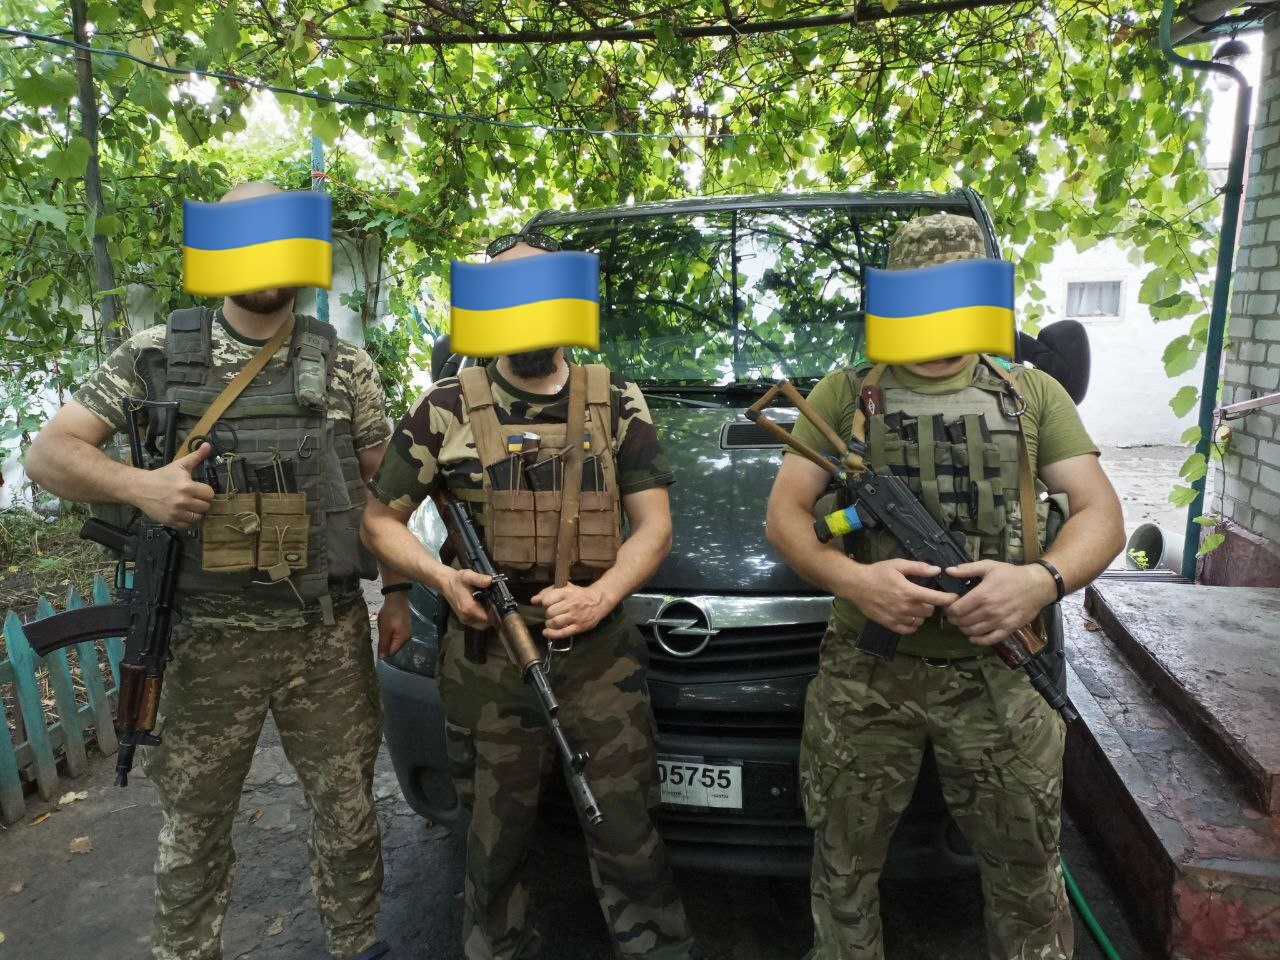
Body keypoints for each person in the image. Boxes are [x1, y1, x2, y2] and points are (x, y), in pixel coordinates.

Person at [25, 182, 406, 960]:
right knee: (194, 827)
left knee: (348, 815)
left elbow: (385, 491)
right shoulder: (155, 354)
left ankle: (356, 943)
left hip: (325, 638)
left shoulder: (345, 364)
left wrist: (398, 589)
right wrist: (143, 487)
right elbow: (48, 454)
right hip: (202, 645)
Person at [764, 212, 1126, 960]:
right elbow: (786, 517)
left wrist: (1039, 582)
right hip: (867, 678)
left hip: (1000, 679)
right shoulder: (845, 392)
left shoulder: (1030, 393)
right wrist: (856, 582)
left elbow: (1100, 514)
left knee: (1027, 879)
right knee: (842, 871)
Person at [360, 233, 696, 960]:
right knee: (492, 846)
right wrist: (442, 580)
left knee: (630, 840)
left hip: (600, 666)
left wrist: (602, 595)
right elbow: (379, 521)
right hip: (487, 668)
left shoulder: (617, 401)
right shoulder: (444, 408)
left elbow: (655, 528)